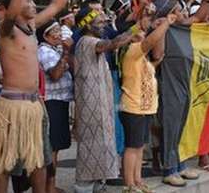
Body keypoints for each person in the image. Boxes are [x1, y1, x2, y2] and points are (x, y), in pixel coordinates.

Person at [0, 0, 86, 193]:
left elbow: (55, 5)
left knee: (39, 160)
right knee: (4, 162)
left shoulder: (32, 26)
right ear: (15, 3)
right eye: (28, 0)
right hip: (12, 105)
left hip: (34, 105)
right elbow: (10, 16)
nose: (34, 4)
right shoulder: (6, 28)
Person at [72, 10, 134, 193]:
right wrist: (135, 29)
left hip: (100, 104)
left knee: (103, 144)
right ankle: (83, 187)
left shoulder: (90, 41)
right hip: (90, 107)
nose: (103, 26)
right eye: (99, 23)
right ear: (87, 25)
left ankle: (98, 184)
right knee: (91, 146)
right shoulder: (86, 42)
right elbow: (113, 43)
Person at [119, 12, 176, 192]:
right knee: (132, 146)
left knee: (140, 147)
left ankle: (137, 180)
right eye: (141, 31)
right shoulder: (131, 50)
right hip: (133, 107)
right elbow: (150, 42)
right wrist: (165, 23)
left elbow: (159, 54)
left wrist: (161, 29)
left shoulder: (143, 58)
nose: (144, 33)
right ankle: (129, 184)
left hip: (145, 108)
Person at [37, 21, 73, 193]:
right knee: (51, 147)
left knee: (55, 147)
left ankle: (50, 186)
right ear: (46, 35)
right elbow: (56, 74)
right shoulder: (44, 51)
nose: (60, 34)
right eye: (56, 31)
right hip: (52, 103)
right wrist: (66, 52)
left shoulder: (54, 50)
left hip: (59, 102)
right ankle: (47, 188)